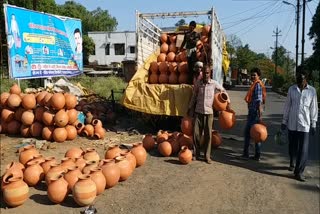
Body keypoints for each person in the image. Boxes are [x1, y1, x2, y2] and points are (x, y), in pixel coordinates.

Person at [281, 68, 318, 182]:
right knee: (292, 146)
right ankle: (292, 161)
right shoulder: (292, 89)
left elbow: (314, 108)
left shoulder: (312, 91)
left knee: (303, 150)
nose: (299, 81)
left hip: (304, 125)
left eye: (301, 78)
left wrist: (313, 123)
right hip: (292, 124)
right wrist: (284, 121)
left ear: (305, 79)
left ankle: (299, 172)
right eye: (297, 78)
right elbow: (287, 106)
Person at [187, 64, 229, 164]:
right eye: (204, 73)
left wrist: (228, 102)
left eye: (207, 73)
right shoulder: (198, 83)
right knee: (196, 134)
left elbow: (223, 91)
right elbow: (194, 96)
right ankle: (196, 154)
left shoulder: (214, 84)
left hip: (209, 113)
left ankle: (207, 156)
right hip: (198, 112)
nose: (206, 74)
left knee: (208, 135)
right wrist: (190, 108)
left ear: (210, 73)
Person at [242, 67, 266, 161]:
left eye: (254, 75)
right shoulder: (255, 84)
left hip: (255, 113)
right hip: (252, 112)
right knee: (255, 134)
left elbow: (259, 101)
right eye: (251, 75)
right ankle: (256, 155)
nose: (252, 76)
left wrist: (259, 116)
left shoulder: (258, 85)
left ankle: (248, 154)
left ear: (258, 76)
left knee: (252, 134)